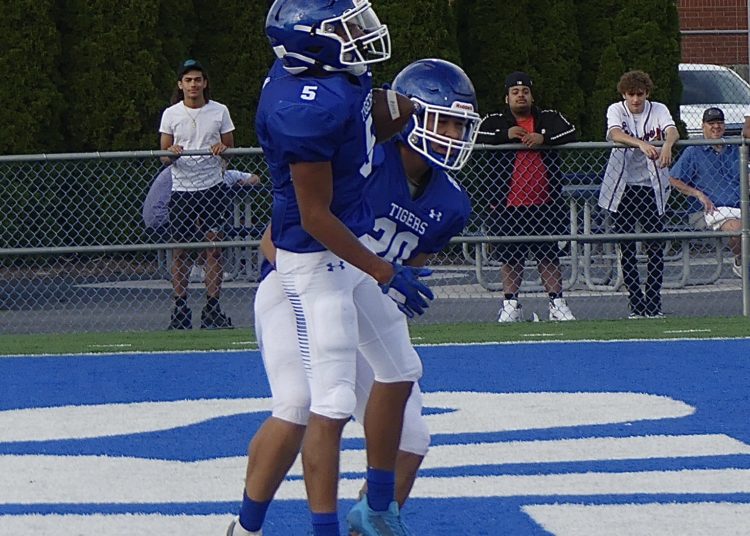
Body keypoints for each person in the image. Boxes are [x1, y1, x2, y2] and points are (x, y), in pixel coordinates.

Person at [226, 57, 480, 536]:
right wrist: (322, 281)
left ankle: (372, 521)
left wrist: (383, 289)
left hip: (362, 294)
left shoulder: (451, 203)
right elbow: (276, 239)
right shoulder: (365, 157)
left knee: (412, 436)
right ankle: (245, 528)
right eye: (443, 121)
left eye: (458, 125)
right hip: (296, 288)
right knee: (298, 405)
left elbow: (409, 270)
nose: (452, 134)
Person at [252, 2, 433, 535]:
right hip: (312, 263)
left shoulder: (336, 75)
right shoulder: (303, 109)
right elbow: (314, 216)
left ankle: (375, 509)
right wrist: (384, 270)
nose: (361, 34)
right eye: (346, 28)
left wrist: (398, 114)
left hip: (345, 250)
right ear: (309, 40)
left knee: (400, 368)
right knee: (325, 402)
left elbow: (363, 115)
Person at [477, 71, 577, 323]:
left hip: (545, 203)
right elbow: (474, 135)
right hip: (507, 204)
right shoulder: (495, 121)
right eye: (515, 92)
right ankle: (511, 304)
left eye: (525, 91)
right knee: (510, 257)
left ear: (532, 96)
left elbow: (571, 132)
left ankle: (557, 303)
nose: (520, 95)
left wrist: (545, 139)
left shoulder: (548, 118)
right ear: (507, 97)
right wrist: (505, 135)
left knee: (548, 255)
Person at [158, 59, 236, 330]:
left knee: (214, 248)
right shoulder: (171, 114)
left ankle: (212, 308)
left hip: (212, 187)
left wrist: (222, 149)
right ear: (180, 85)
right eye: (188, 80)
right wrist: (172, 153)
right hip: (182, 190)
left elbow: (229, 147)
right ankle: (180, 308)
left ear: (205, 83)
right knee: (180, 250)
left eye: (198, 80)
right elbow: (164, 155)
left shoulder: (219, 111)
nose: (193, 85)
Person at [598, 70, 679, 319]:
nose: (635, 99)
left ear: (647, 93)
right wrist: (640, 143)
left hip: (650, 187)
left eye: (640, 94)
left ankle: (653, 302)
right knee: (627, 247)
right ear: (624, 94)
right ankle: (636, 302)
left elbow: (672, 130)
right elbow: (615, 133)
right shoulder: (616, 109)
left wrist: (667, 145)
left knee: (655, 245)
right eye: (631, 94)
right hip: (623, 187)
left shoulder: (658, 109)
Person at [141, 165, 261, 282]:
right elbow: (192, 205)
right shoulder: (182, 172)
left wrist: (243, 183)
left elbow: (255, 178)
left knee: (215, 222)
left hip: (171, 216)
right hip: (163, 219)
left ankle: (201, 267)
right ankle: (200, 267)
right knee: (210, 228)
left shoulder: (225, 174)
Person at [670, 107, 744, 278]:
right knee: (738, 229)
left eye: (719, 122)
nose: (716, 126)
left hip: (739, 206)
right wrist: (698, 194)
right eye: (711, 123)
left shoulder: (734, 148)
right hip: (709, 211)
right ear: (703, 126)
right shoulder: (694, 150)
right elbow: (673, 179)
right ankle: (741, 261)